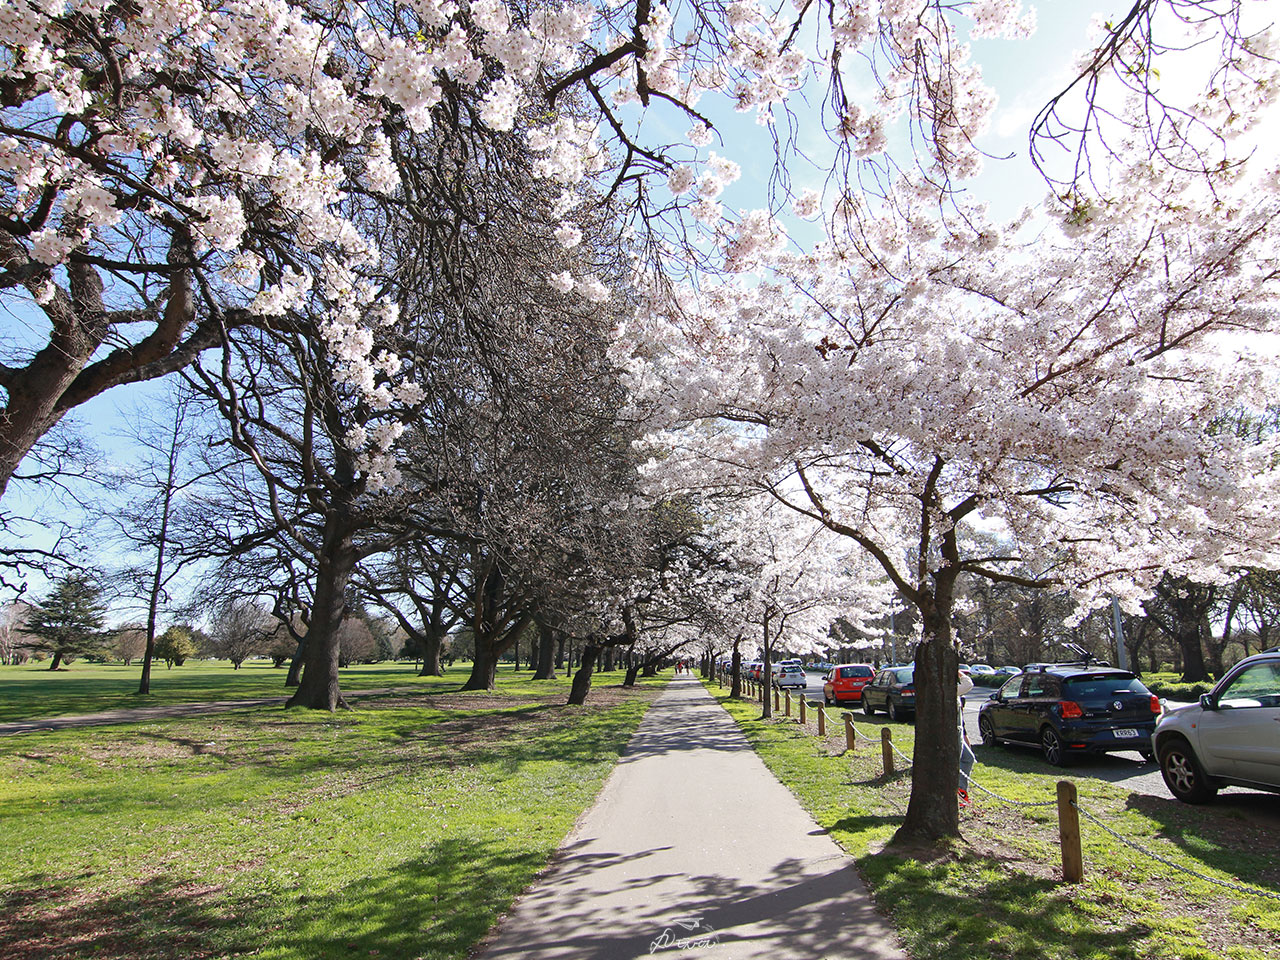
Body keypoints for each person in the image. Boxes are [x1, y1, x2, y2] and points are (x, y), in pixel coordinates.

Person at [957, 669, 975, 806]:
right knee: (956, 762)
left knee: (968, 758)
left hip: (958, 730)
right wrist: (959, 673)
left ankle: (961, 790)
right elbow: (968, 684)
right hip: (951, 732)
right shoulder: (946, 688)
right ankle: (958, 794)